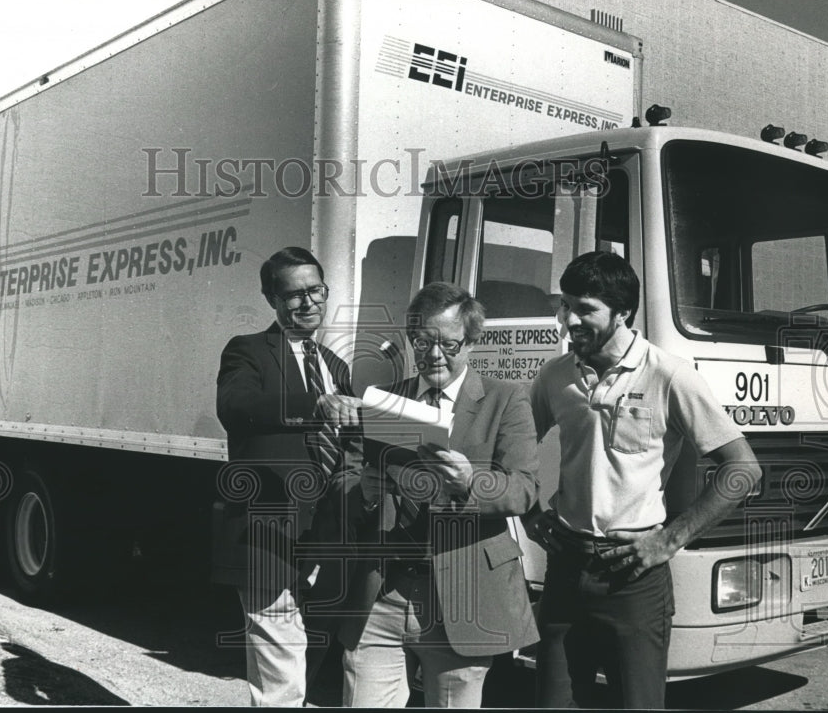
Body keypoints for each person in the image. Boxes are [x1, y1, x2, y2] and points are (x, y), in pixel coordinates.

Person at [526, 251, 762, 709]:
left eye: (585, 309)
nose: (569, 319)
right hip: (566, 567)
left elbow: (742, 469)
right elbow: (511, 448)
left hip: (633, 576)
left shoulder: (669, 375)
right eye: (566, 305)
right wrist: (531, 514)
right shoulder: (555, 376)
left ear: (624, 312)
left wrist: (669, 540)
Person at [339, 281, 539, 708]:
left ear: (471, 344)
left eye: (448, 344)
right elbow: (345, 483)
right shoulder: (384, 400)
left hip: (463, 598)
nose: (434, 355)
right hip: (382, 595)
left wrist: (472, 481)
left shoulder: (505, 400)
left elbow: (524, 489)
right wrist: (366, 492)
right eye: (423, 342)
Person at [215, 246, 362, 707]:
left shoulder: (336, 367)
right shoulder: (248, 351)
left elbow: (350, 446)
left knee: (306, 650)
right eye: (294, 295)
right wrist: (312, 407)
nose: (308, 303)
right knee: (280, 660)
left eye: (315, 290)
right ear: (271, 300)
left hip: (326, 534)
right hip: (269, 530)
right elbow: (235, 407)